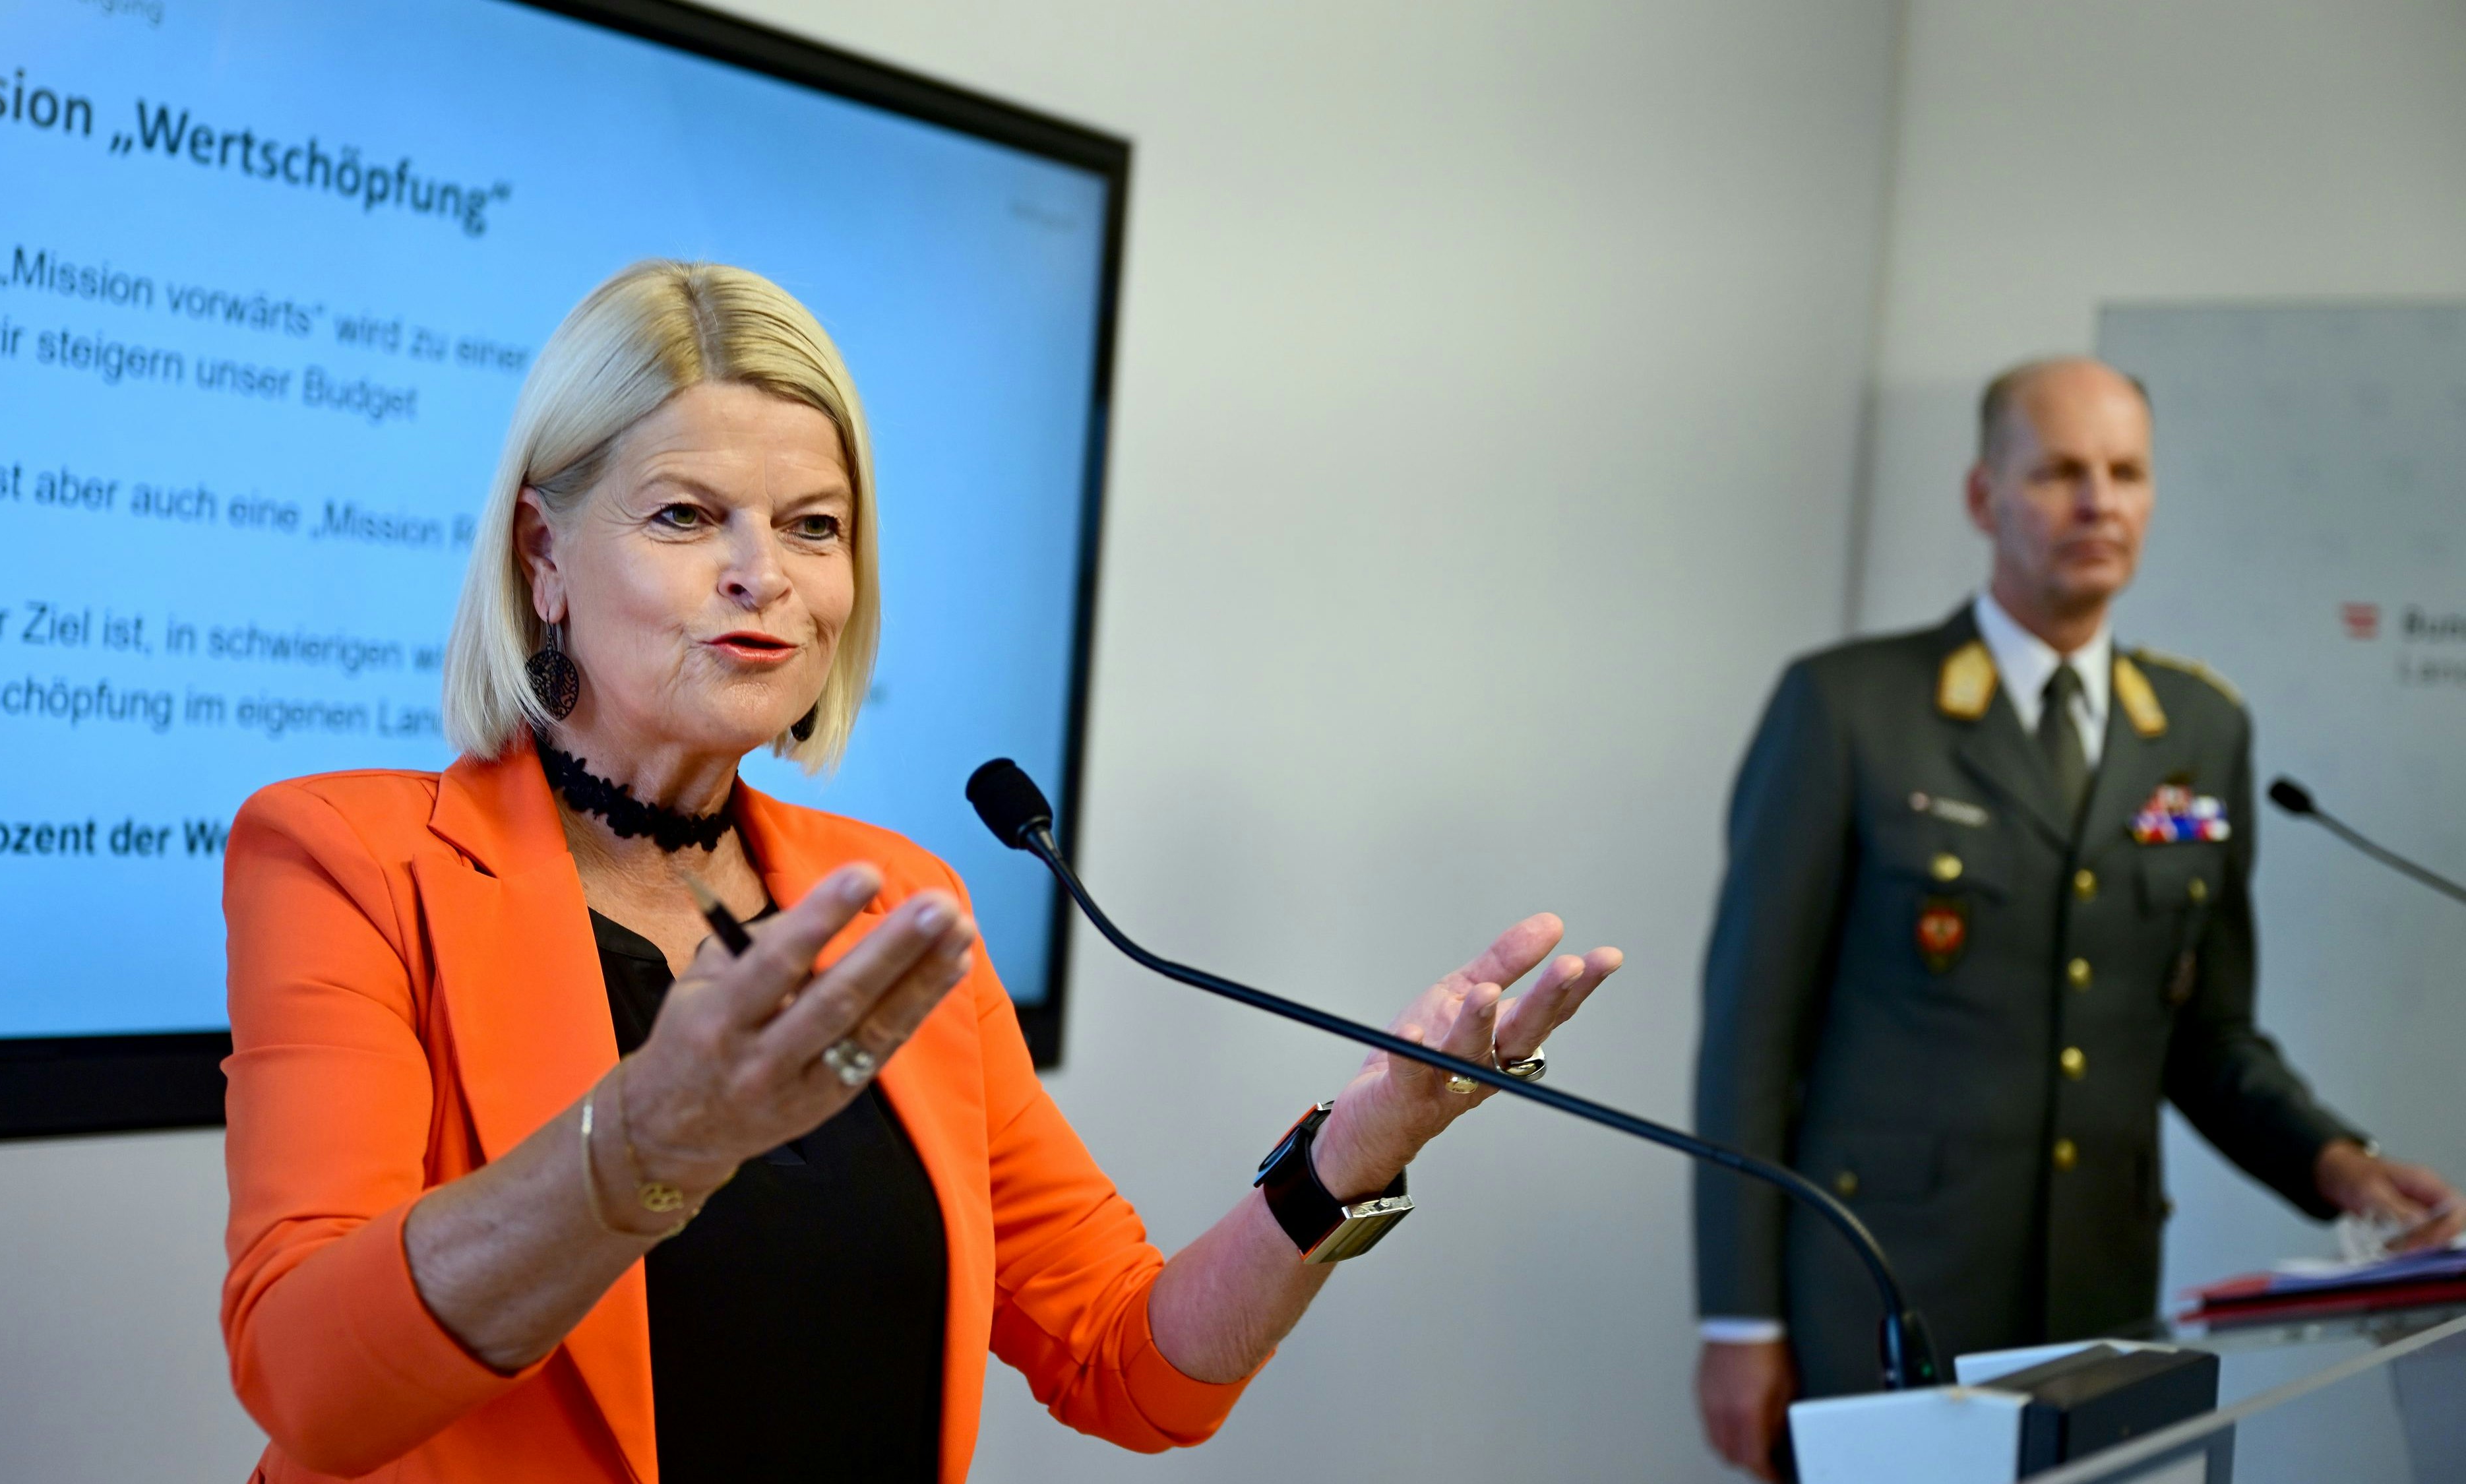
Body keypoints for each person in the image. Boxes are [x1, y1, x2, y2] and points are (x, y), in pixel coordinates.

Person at [218, 259, 1625, 1484]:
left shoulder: (897, 901)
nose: (762, 574)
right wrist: (645, 1147)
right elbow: (315, 1391)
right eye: (685, 517)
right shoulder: (350, 858)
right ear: (542, 554)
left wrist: (1350, 1155)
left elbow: (1128, 1366)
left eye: (812, 526)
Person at [1686, 357, 2464, 1478]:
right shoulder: (1850, 708)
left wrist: (2341, 1165)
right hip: (1883, 1297)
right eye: (2059, 471)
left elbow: (2208, 1038)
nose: (2099, 501)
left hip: (2098, 1302)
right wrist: (1739, 1322)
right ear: (1981, 496)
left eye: (2126, 472)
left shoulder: (2199, 727)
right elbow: (1751, 1040)